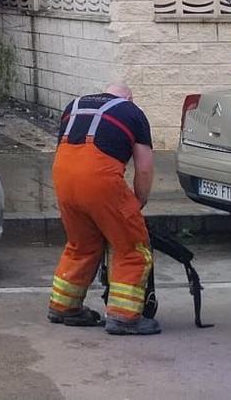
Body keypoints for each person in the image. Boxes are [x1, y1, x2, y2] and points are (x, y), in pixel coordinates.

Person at [45, 78, 159, 336]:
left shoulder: (74, 106)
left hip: (63, 178)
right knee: (132, 248)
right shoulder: (133, 112)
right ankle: (124, 317)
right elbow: (144, 167)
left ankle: (63, 307)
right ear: (129, 99)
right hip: (99, 180)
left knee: (81, 245)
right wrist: (138, 202)